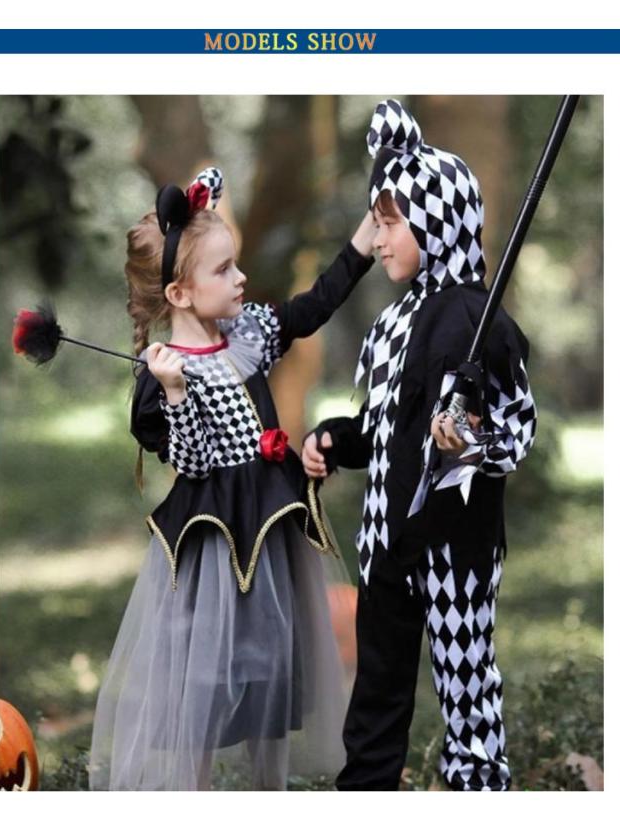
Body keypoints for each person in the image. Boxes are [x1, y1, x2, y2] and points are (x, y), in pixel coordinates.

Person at [88, 166, 376, 791]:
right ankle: (193, 794)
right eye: (223, 270)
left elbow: (313, 306)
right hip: (213, 550)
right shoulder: (166, 374)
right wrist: (174, 392)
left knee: (270, 670)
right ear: (179, 293)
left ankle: (268, 791)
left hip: (271, 530)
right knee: (204, 679)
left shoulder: (246, 335)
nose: (240, 278)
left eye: (235, 264)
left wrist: (363, 239)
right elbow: (192, 463)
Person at [302, 99, 537, 791]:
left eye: (390, 223)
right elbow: (383, 430)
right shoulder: (391, 325)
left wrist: (470, 440)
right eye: (375, 224)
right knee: (376, 690)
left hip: (453, 546)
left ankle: (477, 786)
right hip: (386, 542)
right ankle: (367, 790)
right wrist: (333, 438)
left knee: (466, 688)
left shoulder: (478, 321)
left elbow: (516, 431)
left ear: (437, 219)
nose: (377, 240)